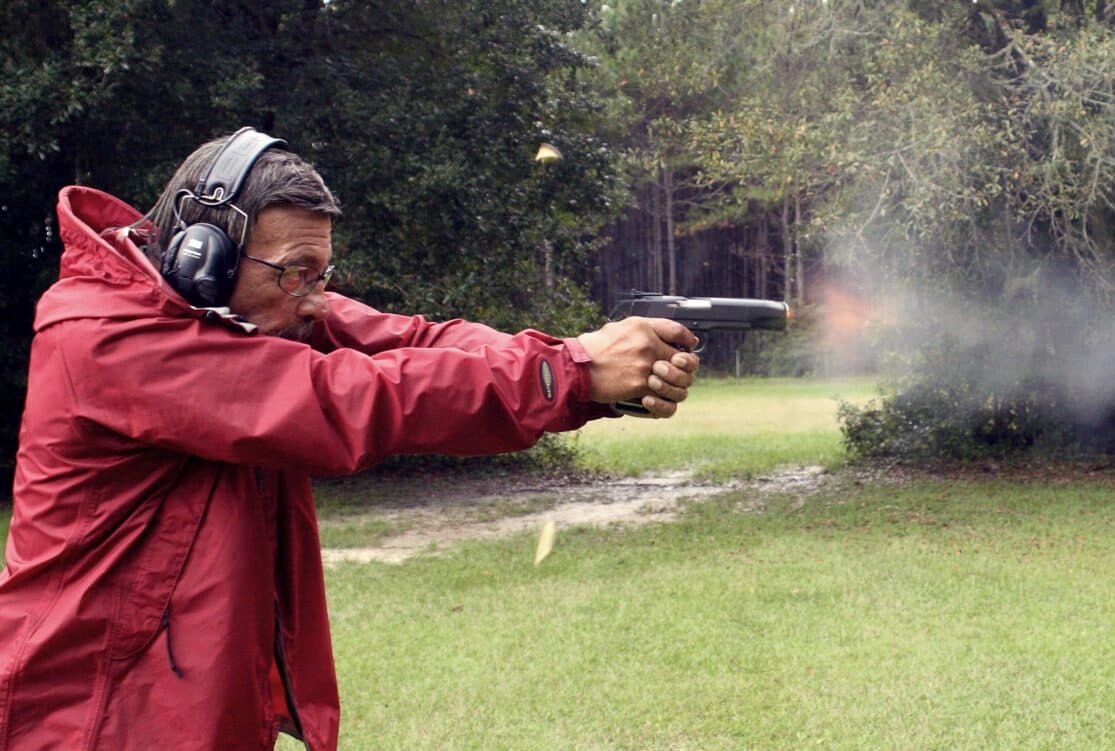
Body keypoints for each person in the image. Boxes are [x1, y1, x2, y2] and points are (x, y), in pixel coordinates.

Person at [0, 128, 699, 750]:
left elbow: (417, 340)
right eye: (295, 273)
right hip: (88, 716)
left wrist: (589, 369)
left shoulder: (243, 311)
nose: (314, 298)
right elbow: (351, 400)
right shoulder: (105, 336)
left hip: (181, 708)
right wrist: (569, 371)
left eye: (321, 273)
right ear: (200, 256)